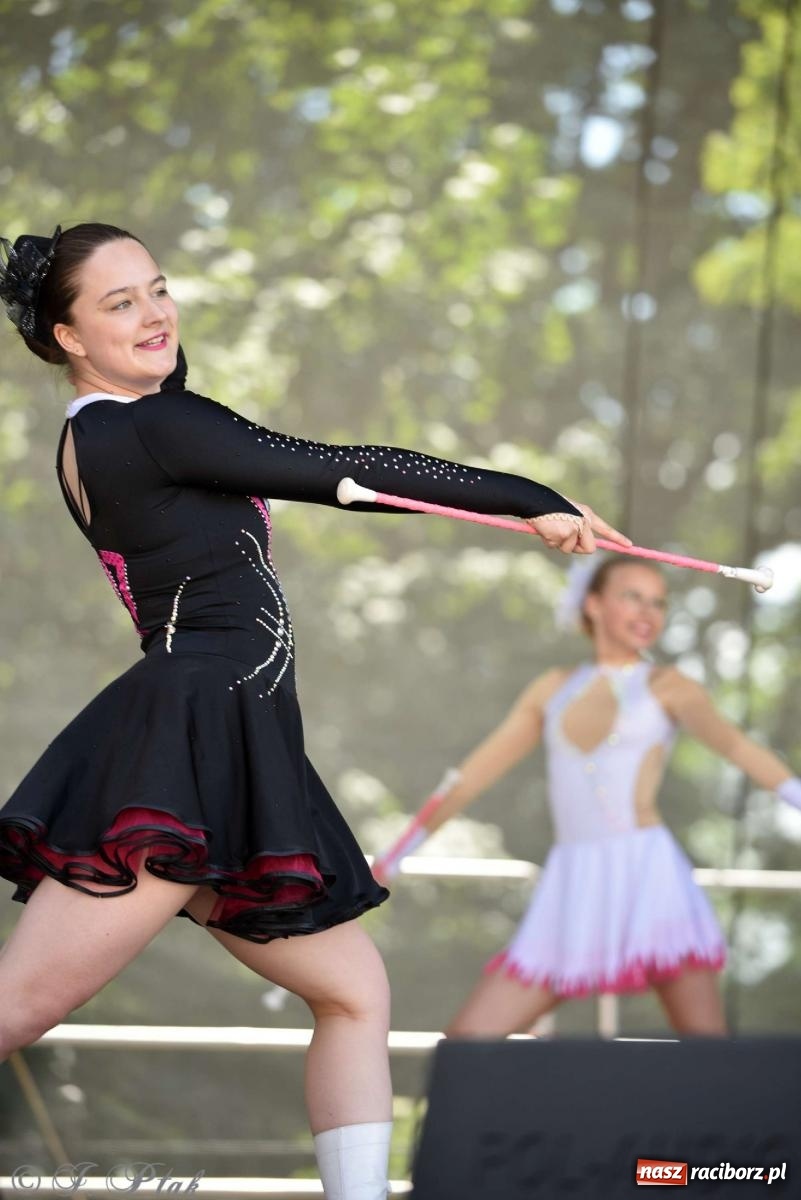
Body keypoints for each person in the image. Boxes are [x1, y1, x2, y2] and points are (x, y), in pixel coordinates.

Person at [0, 223, 631, 1199]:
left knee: (351, 990)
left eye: (158, 288)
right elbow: (343, 470)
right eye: (119, 302)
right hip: (189, 736)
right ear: (67, 335)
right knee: (15, 1011)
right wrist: (527, 499)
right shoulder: (141, 426)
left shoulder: (119, 431)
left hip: (231, 738)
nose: (155, 312)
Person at [373, 556, 801, 1038]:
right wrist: (395, 856)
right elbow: (471, 777)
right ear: (593, 604)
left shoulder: (669, 686)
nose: (648, 611)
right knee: (468, 1043)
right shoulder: (552, 688)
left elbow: (739, 747)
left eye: (658, 601)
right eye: (632, 596)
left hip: (650, 879)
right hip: (571, 885)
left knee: (708, 1051)